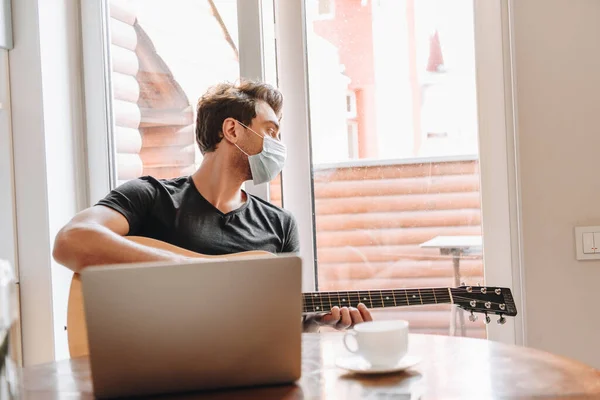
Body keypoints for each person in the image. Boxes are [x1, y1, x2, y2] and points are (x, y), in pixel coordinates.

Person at [53, 79, 372, 332]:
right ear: (233, 130)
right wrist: (197, 274)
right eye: (270, 131)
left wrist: (318, 322)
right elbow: (72, 240)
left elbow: (281, 317)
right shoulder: (150, 196)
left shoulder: (280, 224)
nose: (277, 144)